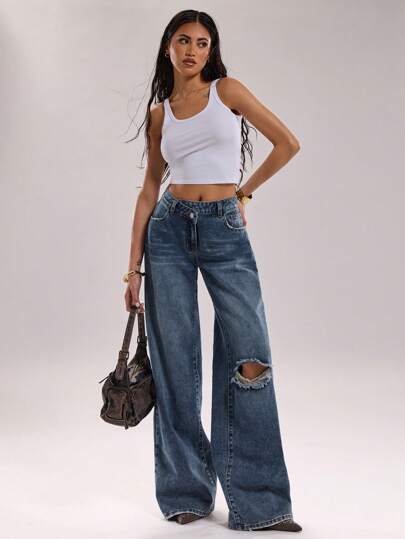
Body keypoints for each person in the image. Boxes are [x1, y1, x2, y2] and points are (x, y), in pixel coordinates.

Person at [123, 9, 302, 532]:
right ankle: (185, 493)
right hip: (168, 232)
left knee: (251, 358)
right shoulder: (160, 114)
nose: (192, 51)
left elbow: (287, 143)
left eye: (202, 43)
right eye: (183, 40)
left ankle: (261, 504)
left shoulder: (229, 91)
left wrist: (244, 193)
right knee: (175, 363)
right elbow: (149, 189)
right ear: (168, 47)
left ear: (211, 50)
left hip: (224, 228)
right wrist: (132, 270)